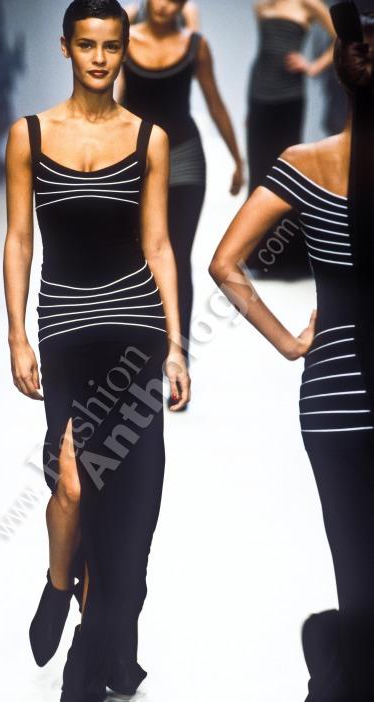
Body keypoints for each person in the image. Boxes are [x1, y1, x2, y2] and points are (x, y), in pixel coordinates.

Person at [3, 1, 190, 700]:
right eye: (87, 45)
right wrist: (16, 333)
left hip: (134, 333)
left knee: (130, 508)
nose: (100, 59)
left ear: (124, 50)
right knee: (74, 485)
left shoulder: (149, 138)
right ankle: (60, 583)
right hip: (65, 334)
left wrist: (176, 345)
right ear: (66, 48)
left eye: (111, 46)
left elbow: (159, 245)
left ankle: (94, 653)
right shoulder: (29, 135)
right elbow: (18, 238)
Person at [208, 1, 374, 698]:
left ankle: (343, 671)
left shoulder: (305, 163)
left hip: (334, 389)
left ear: (338, 75)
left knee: (356, 565)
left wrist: (289, 342)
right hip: (341, 393)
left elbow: (225, 263)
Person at [117, 0, 243, 396]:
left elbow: (214, 101)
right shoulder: (124, 40)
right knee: (135, 259)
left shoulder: (195, 45)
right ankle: (134, 365)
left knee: (176, 256)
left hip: (184, 158)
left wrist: (238, 159)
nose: (163, 4)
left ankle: (176, 365)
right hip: (135, 158)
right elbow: (111, 100)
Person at [245, 0, 336, 278]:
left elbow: (341, 38)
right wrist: (249, 109)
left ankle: (290, 259)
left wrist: (313, 66)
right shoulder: (261, 6)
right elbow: (263, 53)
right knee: (259, 173)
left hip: (289, 96)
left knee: (286, 175)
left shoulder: (309, 4)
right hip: (259, 94)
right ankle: (259, 257)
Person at [124, 0, 200, 28]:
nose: (162, 5)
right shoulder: (132, 12)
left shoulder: (188, 10)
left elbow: (194, 48)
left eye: (172, 1)